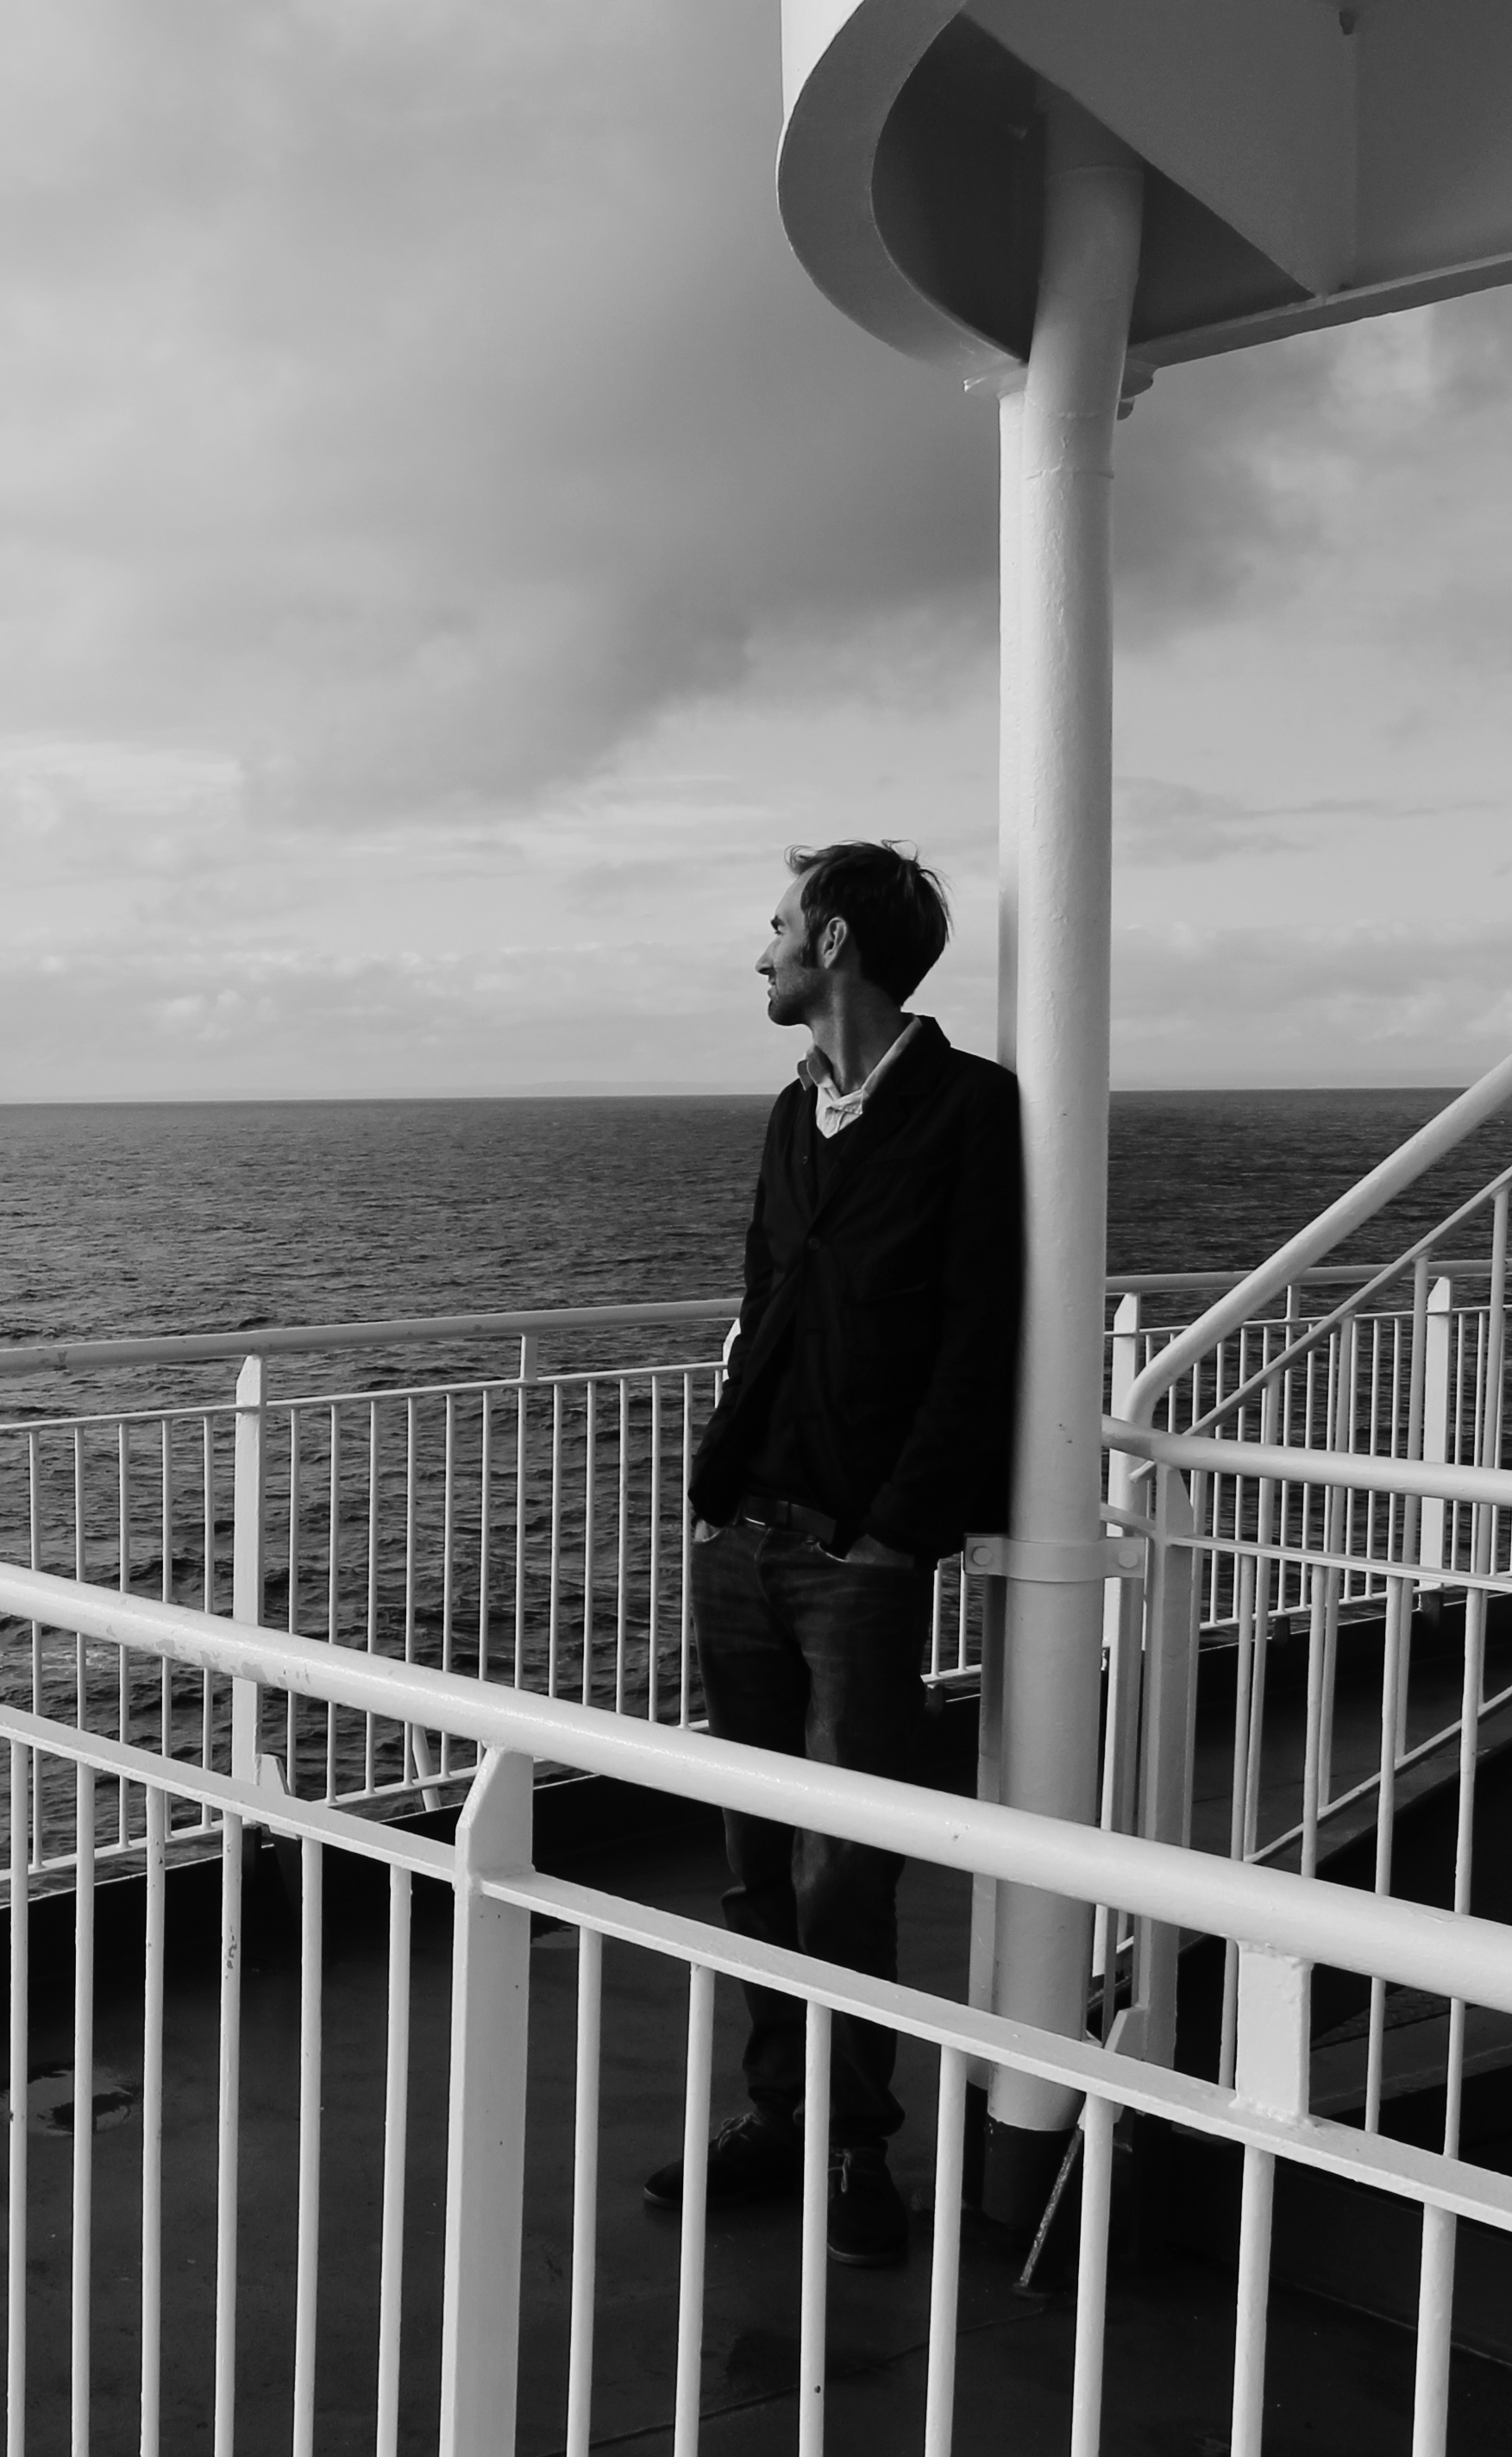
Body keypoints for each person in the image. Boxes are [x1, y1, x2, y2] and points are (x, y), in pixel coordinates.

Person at [647, 840, 1020, 2270]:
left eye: (778, 927)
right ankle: (780, 2114)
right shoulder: (789, 1112)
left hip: (854, 1563)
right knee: (755, 1863)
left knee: (845, 1873)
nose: (762, 952)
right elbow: (765, 1294)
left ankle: (858, 2143)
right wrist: (713, 1486)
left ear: (838, 943)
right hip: (743, 1538)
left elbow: (978, 1336)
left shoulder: (968, 1109)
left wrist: (894, 1532)